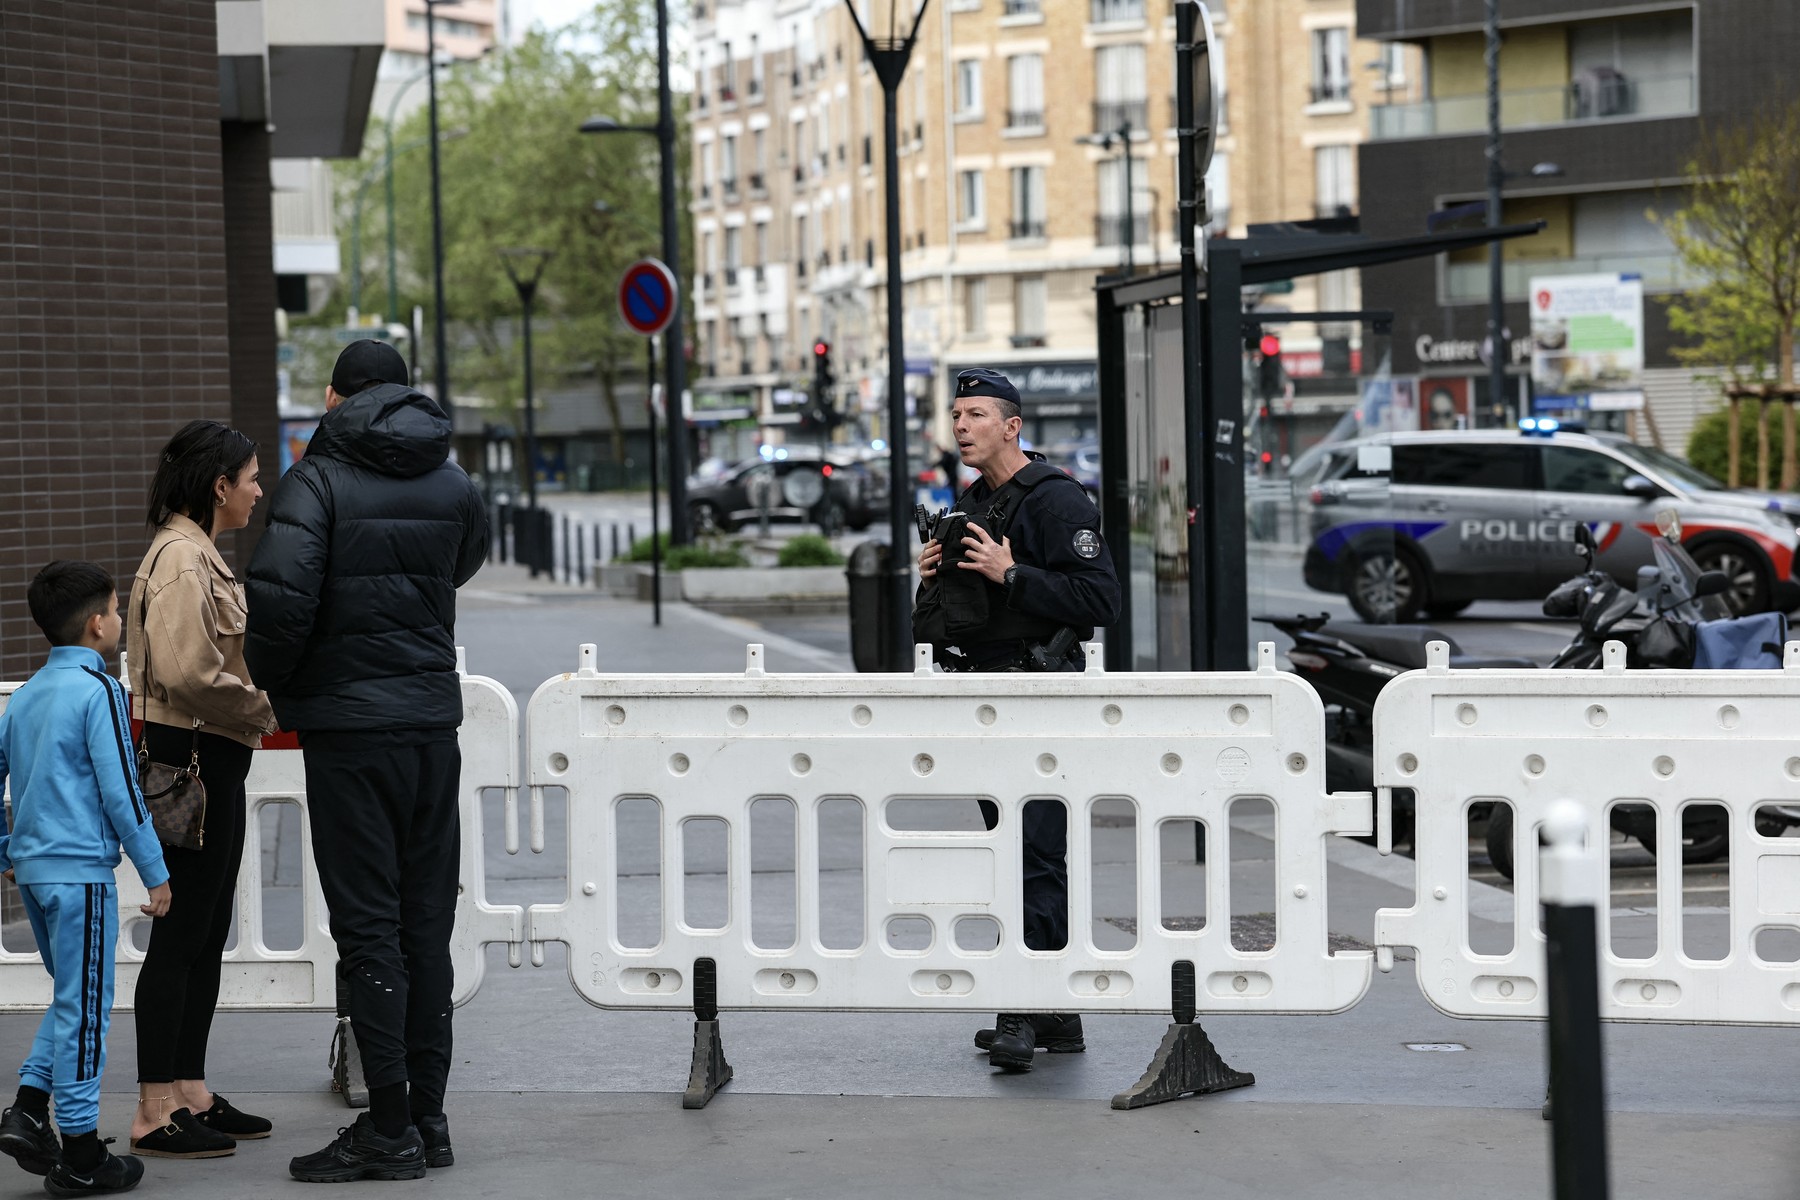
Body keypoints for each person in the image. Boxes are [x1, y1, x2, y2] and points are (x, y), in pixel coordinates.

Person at [244, 340, 487, 1183]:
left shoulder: (315, 479)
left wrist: (277, 682)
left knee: (369, 928)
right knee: (426, 925)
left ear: (335, 395)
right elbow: (463, 563)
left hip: (351, 735)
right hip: (431, 725)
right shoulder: (453, 479)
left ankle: (387, 1128)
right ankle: (430, 1117)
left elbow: (279, 605)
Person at [912, 367, 1120, 1073]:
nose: (961, 425)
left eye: (974, 414)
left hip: (1039, 697)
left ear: (1012, 426)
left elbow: (1100, 600)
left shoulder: (1056, 500)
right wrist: (939, 575)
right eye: (956, 413)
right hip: (988, 696)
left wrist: (1010, 573)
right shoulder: (973, 500)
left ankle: (1021, 1010)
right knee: (1015, 852)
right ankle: (1056, 1015)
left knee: (1032, 852)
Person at [126, 421, 277, 1159]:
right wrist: (262, 708)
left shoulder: (194, 553)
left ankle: (189, 1090)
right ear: (219, 486)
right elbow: (190, 675)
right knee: (184, 934)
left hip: (208, 761)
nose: (257, 489)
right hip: (193, 761)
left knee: (205, 931)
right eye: (250, 477)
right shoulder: (185, 560)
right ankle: (155, 1110)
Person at [0, 562, 171, 1195]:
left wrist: (4, 845)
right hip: (80, 876)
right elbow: (123, 790)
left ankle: (26, 1109)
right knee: (88, 1010)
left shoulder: (26, 697)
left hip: (37, 874)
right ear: (97, 623)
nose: (122, 621)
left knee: (72, 996)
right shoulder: (99, 691)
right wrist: (155, 870)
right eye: (118, 611)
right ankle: (79, 1153)